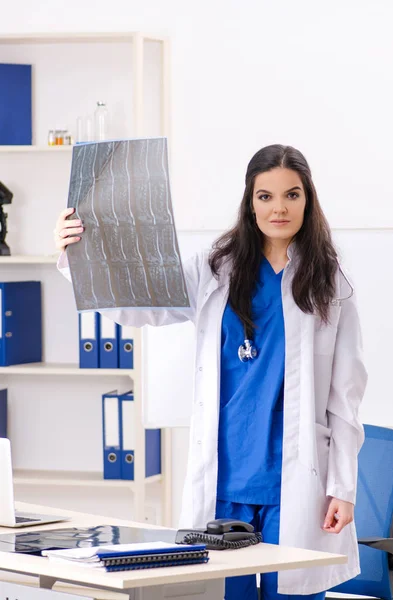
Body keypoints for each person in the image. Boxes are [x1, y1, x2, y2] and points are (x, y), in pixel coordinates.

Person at [54, 144, 367, 600]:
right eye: (265, 196)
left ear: (308, 200)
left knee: (295, 594)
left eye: (291, 195)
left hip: (298, 481)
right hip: (225, 481)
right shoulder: (215, 268)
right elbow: (144, 303)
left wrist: (344, 487)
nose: (279, 207)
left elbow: (346, 396)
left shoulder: (330, 283)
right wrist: (76, 258)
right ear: (250, 201)